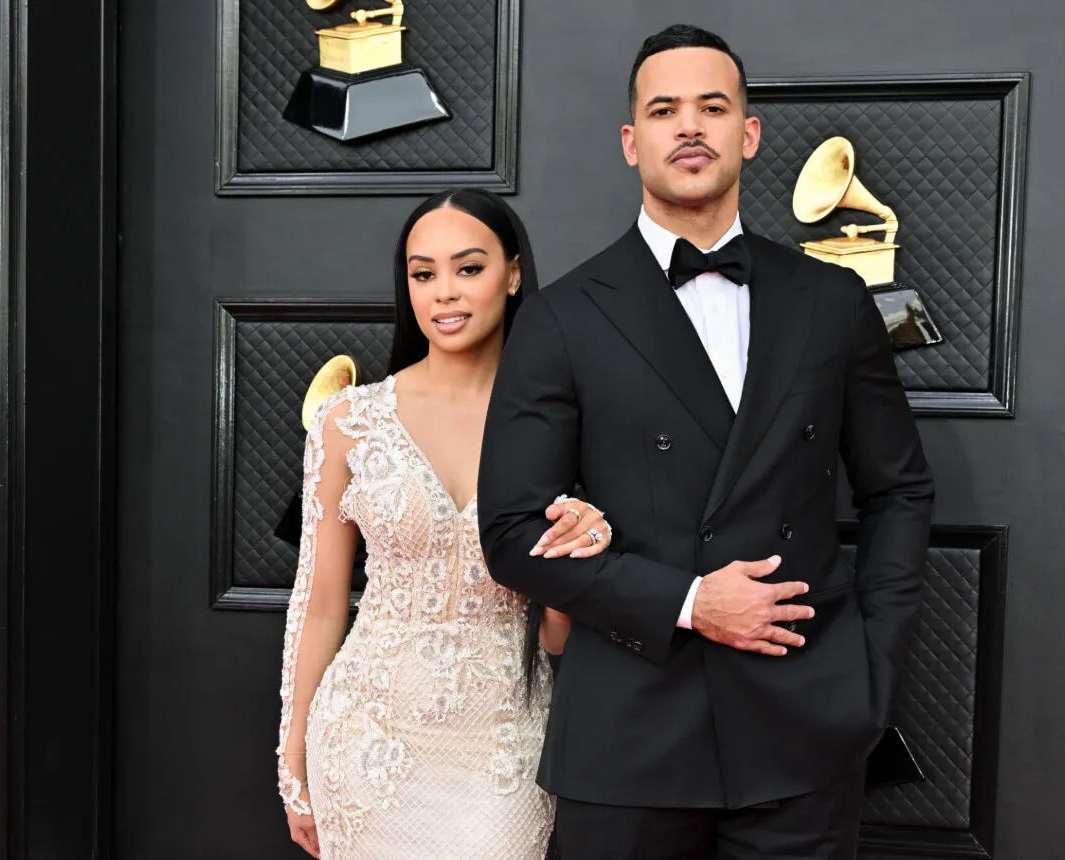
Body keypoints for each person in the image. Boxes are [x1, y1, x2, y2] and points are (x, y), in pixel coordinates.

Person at [478, 24, 934, 860]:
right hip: (629, 734)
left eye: (712, 107)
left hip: (805, 725)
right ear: (632, 142)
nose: (689, 126)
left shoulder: (831, 299)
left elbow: (898, 489)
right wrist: (689, 601)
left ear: (748, 133)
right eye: (664, 110)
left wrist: (871, 665)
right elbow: (510, 532)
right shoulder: (560, 317)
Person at [275, 188, 613, 860]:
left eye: (469, 268)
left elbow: (556, 636)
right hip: (365, 739)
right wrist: (293, 760)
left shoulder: (565, 425)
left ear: (512, 274)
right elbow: (319, 605)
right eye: (423, 274)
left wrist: (581, 554)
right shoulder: (349, 421)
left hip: (503, 746)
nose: (444, 293)